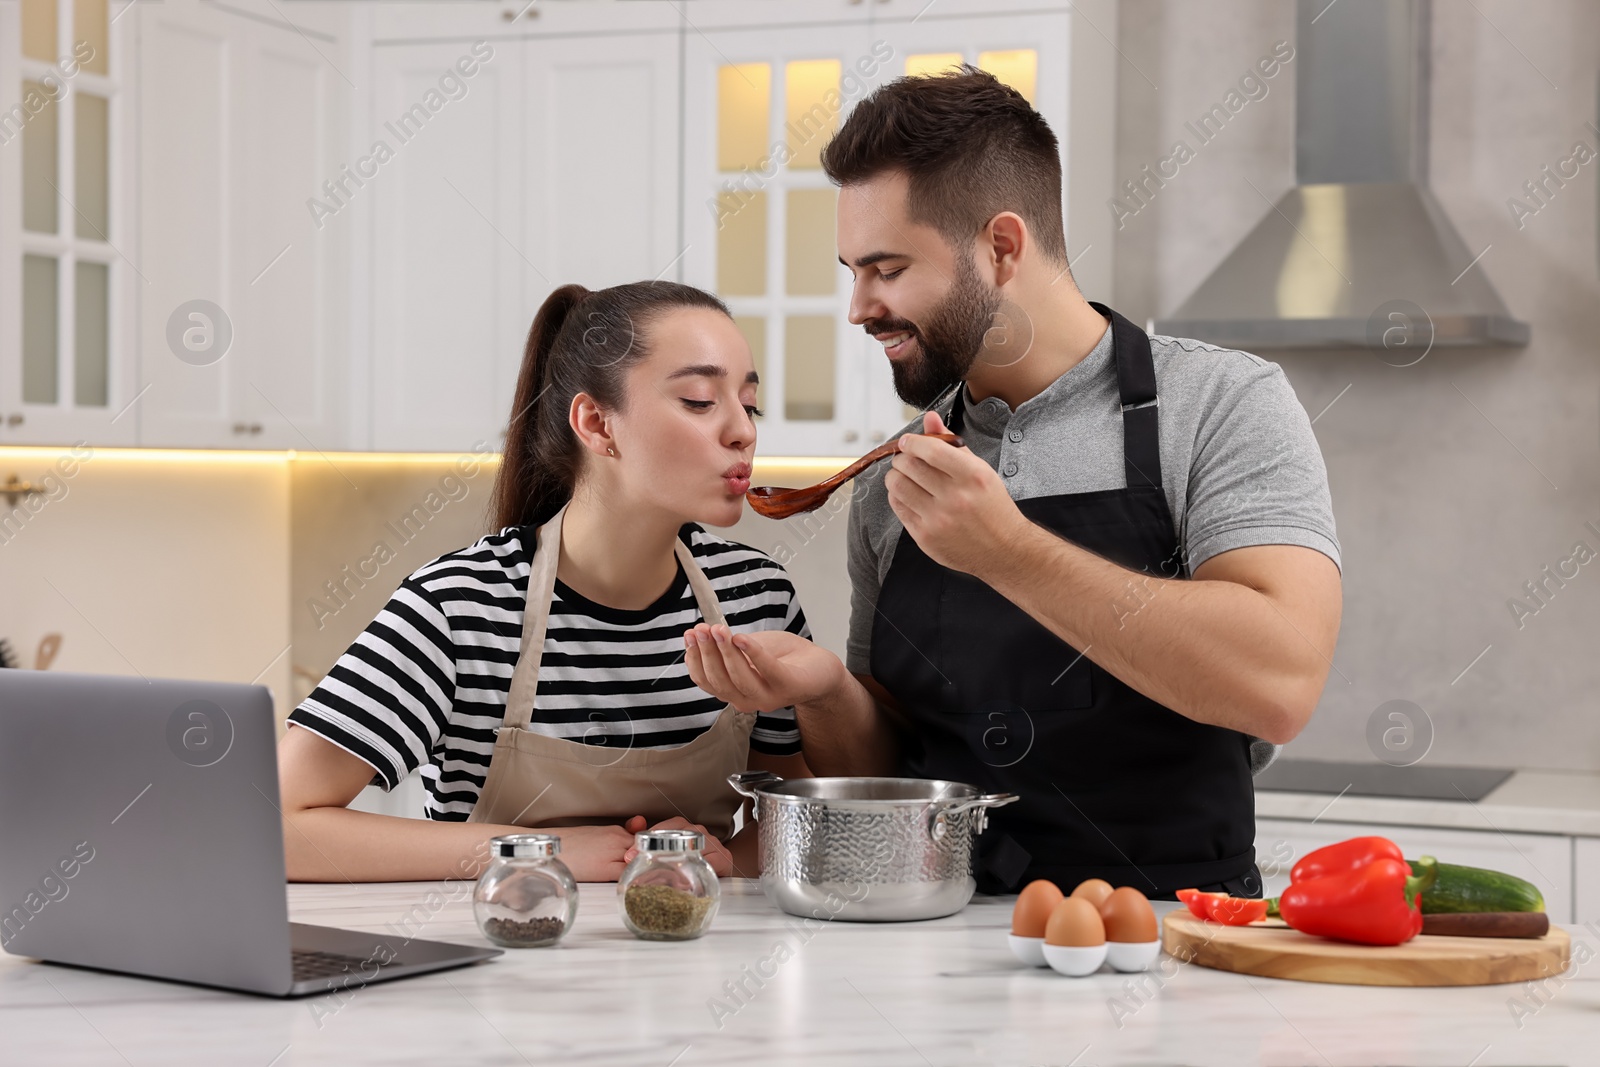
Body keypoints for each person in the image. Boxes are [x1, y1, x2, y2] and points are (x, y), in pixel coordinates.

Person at [684, 67, 1342, 899]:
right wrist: (824, 690)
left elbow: (1278, 684)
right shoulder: (900, 469)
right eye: (852, 270)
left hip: (1173, 943)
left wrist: (1007, 551)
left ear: (1002, 246)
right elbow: (888, 766)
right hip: (934, 945)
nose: (858, 307)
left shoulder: (1219, 404)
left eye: (886, 269)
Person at [279, 281, 812, 883]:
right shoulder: (460, 606)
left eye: (750, 404)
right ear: (597, 424)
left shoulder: (756, 597)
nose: (743, 431)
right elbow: (279, 823)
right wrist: (538, 852)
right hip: (501, 959)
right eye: (698, 400)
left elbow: (798, 826)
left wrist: (724, 858)